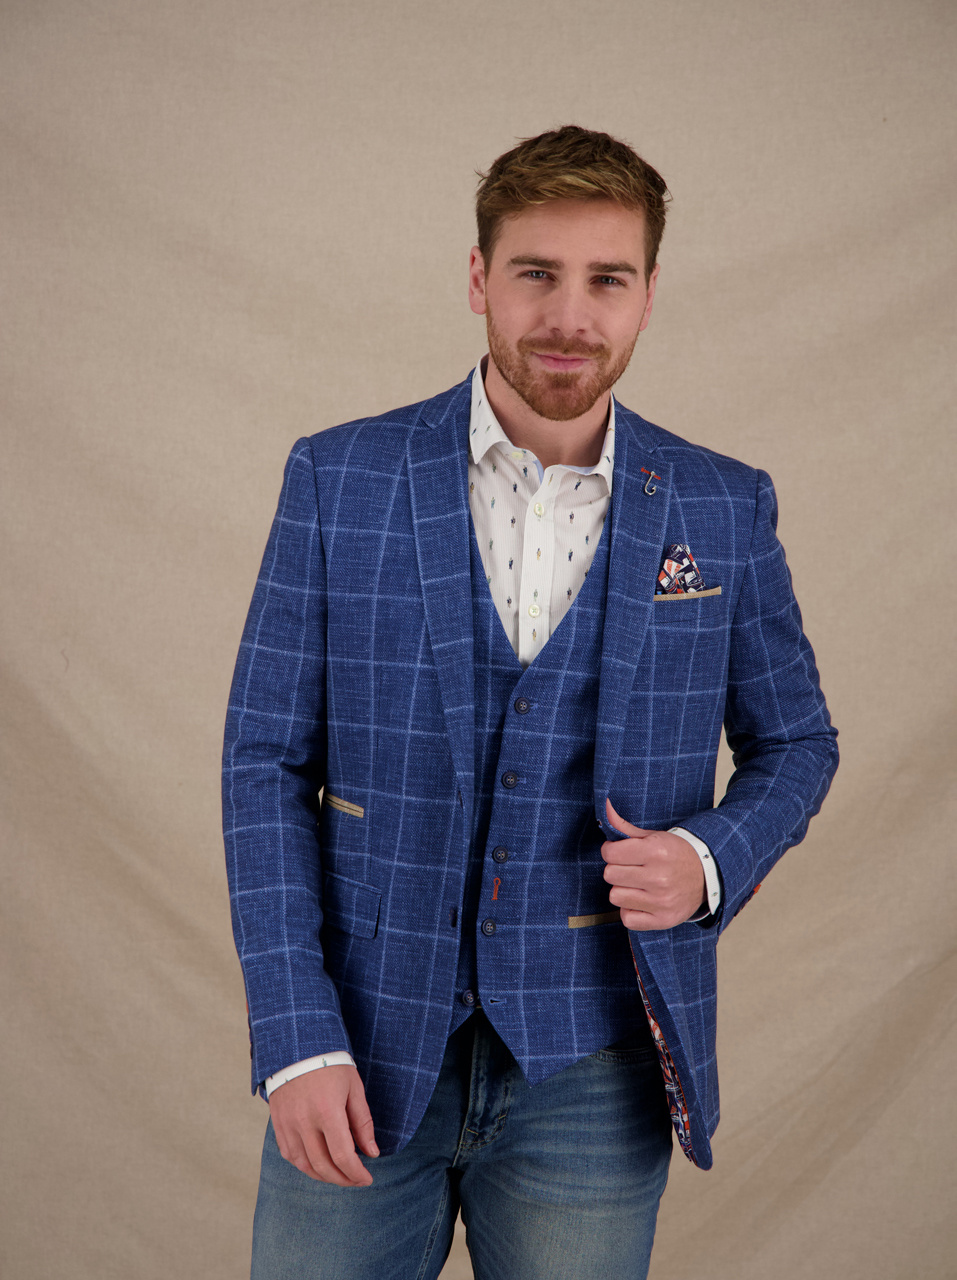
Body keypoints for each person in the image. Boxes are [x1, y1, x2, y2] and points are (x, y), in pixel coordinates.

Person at [222, 125, 838, 1280]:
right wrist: (294, 1032)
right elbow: (263, 761)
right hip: (357, 1044)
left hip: (594, 1067)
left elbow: (797, 739)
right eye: (536, 273)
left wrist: (708, 860)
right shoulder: (339, 477)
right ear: (478, 278)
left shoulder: (721, 505)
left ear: (648, 293)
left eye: (607, 279)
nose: (569, 314)